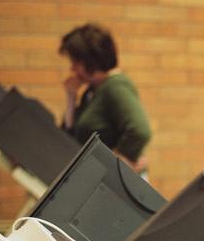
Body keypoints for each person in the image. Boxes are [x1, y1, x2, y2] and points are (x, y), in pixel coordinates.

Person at [59, 23, 151, 174]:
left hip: (115, 184)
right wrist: (71, 99)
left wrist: (115, 165)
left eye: (76, 62)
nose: (72, 69)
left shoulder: (115, 86)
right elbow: (70, 138)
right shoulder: (92, 91)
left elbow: (140, 130)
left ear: (91, 59)